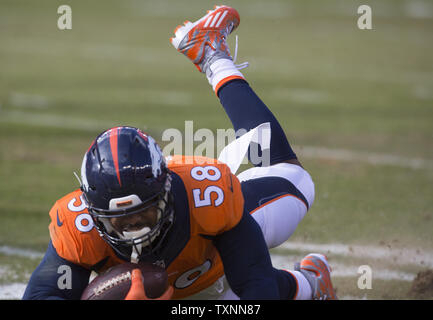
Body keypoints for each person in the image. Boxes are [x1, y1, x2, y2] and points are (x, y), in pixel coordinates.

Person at [23, 5, 336, 300]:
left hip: (211, 257)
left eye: (142, 211)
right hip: (189, 280)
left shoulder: (210, 199)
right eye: (119, 219)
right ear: (93, 213)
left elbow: (256, 289)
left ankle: (213, 57)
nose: (135, 227)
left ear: (167, 191)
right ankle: (311, 281)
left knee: (295, 182)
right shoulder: (78, 229)